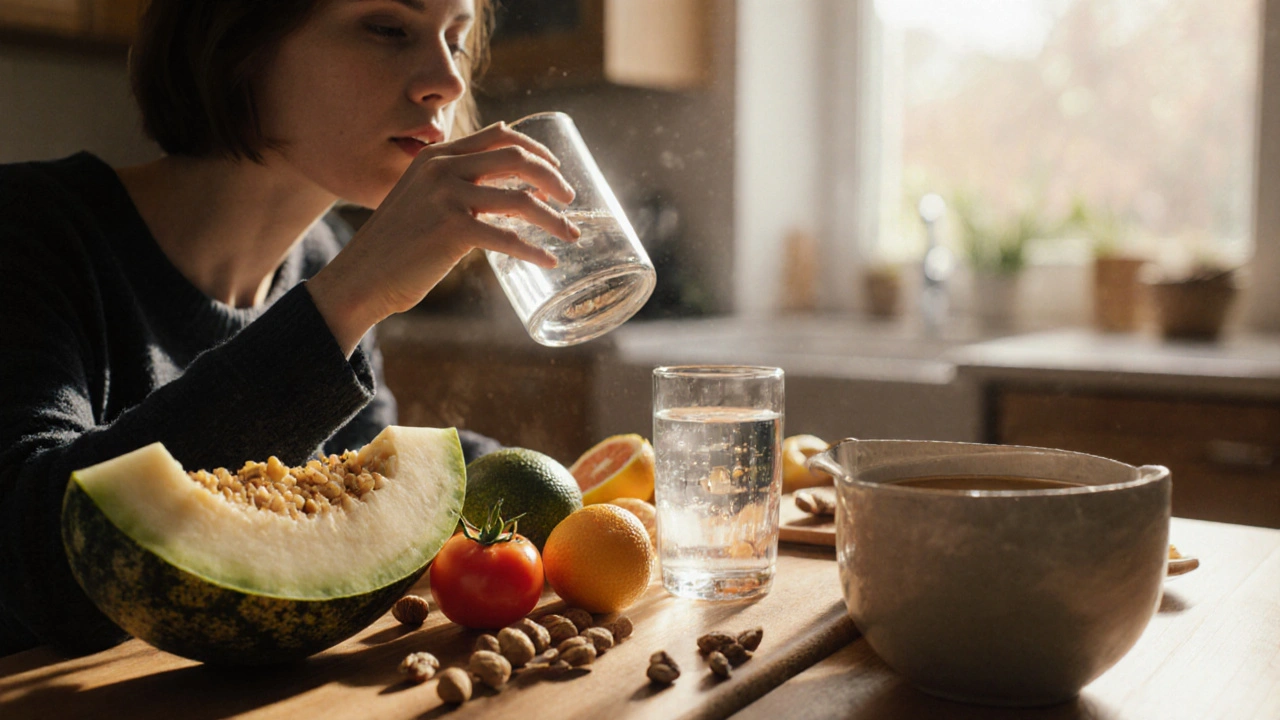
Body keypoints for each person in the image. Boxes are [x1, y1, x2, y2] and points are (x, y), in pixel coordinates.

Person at [0, 0, 581, 657]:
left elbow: (359, 469)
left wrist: (578, 496)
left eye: (458, 38)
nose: (448, 81)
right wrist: (348, 297)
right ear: (238, 42)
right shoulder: (25, 228)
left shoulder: (322, 258)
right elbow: (33, 569)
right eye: (388, 28)